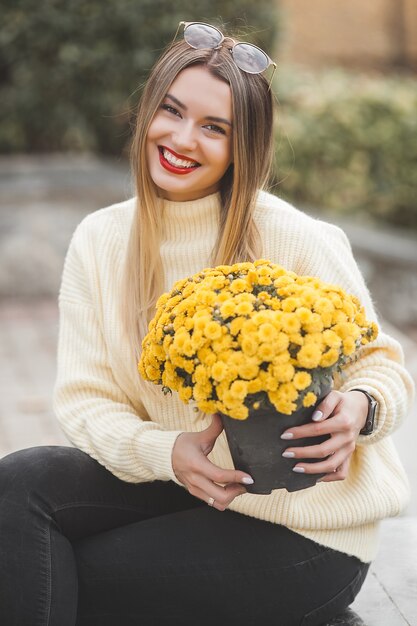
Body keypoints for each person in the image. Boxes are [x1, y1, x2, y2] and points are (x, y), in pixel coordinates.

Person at [0, 21, 414, 626]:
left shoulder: (293, 237)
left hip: (306, 533)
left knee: (48, 569)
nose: (181, 138)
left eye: (213, 127)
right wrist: (169, 453)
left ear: (242, 146)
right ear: (148, 111)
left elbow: (380, 365)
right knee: (21, 485)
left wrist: (360, 409)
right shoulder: (101, 240)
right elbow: (87, 402)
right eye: (171, 111)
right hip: (184, 492)